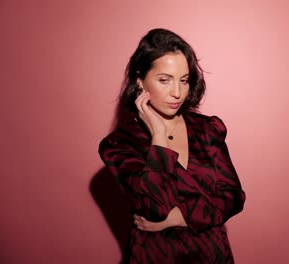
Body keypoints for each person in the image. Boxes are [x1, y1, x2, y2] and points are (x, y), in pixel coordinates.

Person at [98, 28, 246, 263]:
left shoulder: (208, 129)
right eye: (164, 80)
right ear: (140, 81)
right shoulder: (118, 145)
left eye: (184, 81)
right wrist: (158, 135)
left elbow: (233, 197)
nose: (177, 93)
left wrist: (179, 217)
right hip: (156, 257)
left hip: (212, 256)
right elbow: (153, 207)